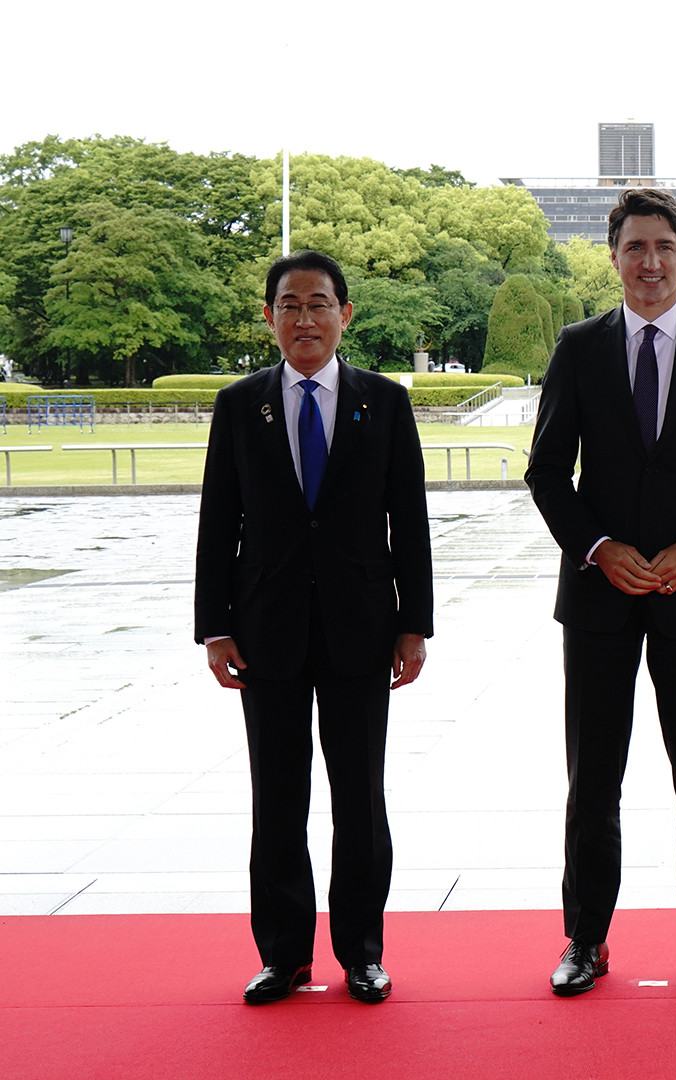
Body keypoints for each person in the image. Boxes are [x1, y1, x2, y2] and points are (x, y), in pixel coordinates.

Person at [525, 187, 676, 998]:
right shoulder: (578, 347)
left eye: (664, 246)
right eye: (635, 247)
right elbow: (547, 472)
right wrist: (600, 549)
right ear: (614, 256)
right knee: (592, 777)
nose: (651, 262)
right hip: (598, 598)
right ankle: (585, 941)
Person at [193, 249, 432, 1005]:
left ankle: (362, 951)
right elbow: (216, 524)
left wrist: (414, 624)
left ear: (345, 314)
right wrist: (214, 626)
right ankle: (284, 955)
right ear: (269, 319)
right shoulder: (240, 405)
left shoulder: (385, 402)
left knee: (360, 796)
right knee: (278, 797)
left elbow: (411, 525)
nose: (305, 318)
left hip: (364, 627)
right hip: (267, 630)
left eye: (319, 303)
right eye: (289, 305)